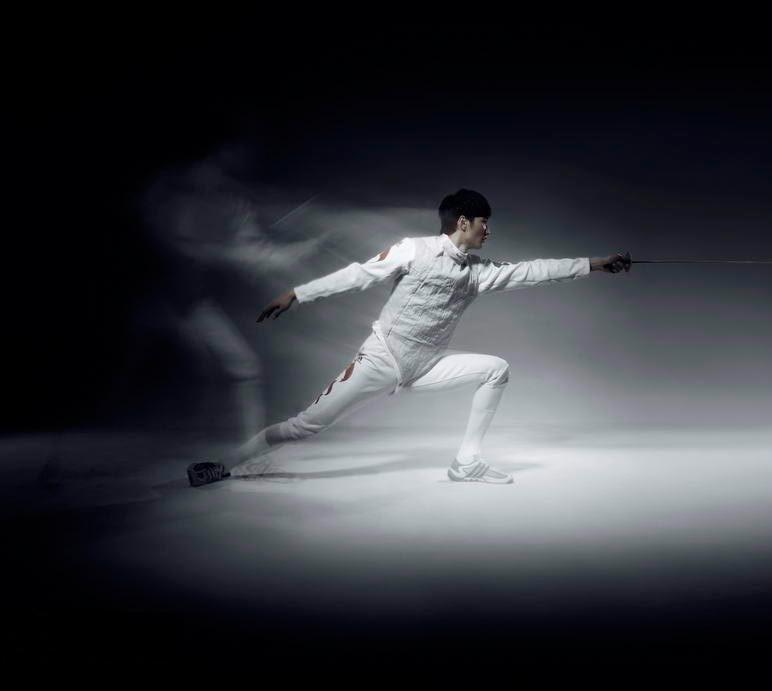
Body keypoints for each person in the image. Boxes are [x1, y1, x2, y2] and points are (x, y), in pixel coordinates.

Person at [187, 189, 628, 486]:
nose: (488, 231)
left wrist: (595, 264)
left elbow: (534, 271)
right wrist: (297, 294)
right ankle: (225, 466)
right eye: (484, 223)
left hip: (427, 365)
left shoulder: (479, 272)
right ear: (463, 222)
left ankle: (466, 463)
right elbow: (358, 274)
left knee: (495, 369)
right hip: (381, 360)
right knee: (303, 427)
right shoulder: (412, 249)